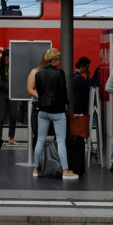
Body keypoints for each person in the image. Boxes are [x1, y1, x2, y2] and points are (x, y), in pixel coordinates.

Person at [32, 48, 79, 180]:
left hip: (43, 110)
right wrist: (66, 105)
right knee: (61, 141)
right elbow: (63, 92)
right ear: (54, 60)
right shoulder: (59, 73)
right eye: (58, 59)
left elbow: (40, 92)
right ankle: (65, 170)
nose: (59, 61)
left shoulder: (39, 74)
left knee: (40, 140)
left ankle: (36, 168)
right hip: (57, 111)